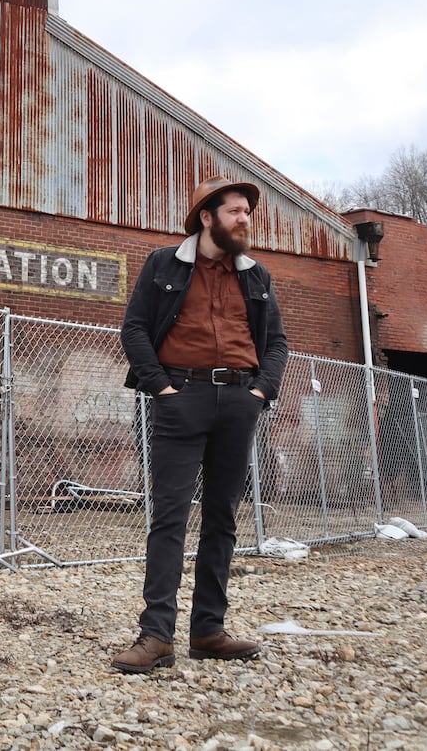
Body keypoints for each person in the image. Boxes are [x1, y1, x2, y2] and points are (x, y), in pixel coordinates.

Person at [111, 175, 289, 673]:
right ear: (207, 217)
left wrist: (259, 393)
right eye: (235, 211)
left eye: (247, 212)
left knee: (222, 519)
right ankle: (156, 635)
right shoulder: (164, 264)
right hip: (180, 396)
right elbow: (136, 328)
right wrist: (161, 389)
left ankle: (208, 630)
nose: (245, 220)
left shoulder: (256, 276)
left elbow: (275, 343)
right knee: (169, 517)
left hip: (238, 399)